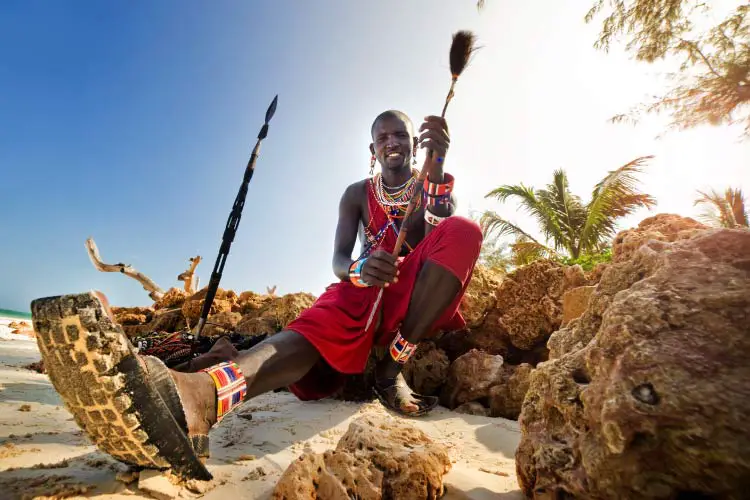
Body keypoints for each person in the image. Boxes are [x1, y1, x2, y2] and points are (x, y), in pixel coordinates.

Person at [30, 110, 483, 480]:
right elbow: (340, 260)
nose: (392, 141)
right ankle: (202, 396)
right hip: (360, 294)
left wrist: (438, 166)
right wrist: (361, 270)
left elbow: (437, 224)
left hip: (407, 296)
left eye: (400, 134)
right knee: (306, 334)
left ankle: (390, 367)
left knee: (464, 231)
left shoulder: (428, 181)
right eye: (382, 136)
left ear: (414, 141)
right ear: (372, 149)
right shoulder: (355, 194)